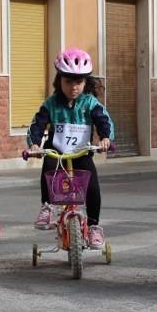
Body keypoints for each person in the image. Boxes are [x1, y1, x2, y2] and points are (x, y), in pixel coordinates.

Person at [26, 49, 114, 248]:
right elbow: (37, 124)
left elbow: (103, 120)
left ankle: (93, 227)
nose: (74, 87)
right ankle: (47, 207)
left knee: (92, 186)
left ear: (85, 82)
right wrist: (34, 143)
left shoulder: (90, 103)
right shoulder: (51, 104)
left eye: (79, 82)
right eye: (68, 82)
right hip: (57, 152)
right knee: (49, 167)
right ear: (59, 81)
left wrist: (106, 138)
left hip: (82, 153)